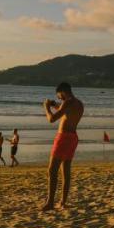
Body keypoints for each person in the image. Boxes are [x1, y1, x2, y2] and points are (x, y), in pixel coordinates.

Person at [42, 82, 84, 211]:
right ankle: (63, 202)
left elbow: (52, 119)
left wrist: (46, 108)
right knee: (65, 171)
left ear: (63, 92)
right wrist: (55, 105)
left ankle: (50, 203)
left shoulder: (67, 102)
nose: (59, 98)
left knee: (52, 170)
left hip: (63, 138)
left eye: (59, 96)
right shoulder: (78, 103)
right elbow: (65, 112)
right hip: (73, 137)